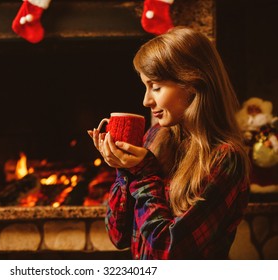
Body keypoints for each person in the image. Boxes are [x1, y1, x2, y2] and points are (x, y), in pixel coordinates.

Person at [88, 27, 250, 259]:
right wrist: (125, 170)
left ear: (192, 83)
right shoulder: (156, 136)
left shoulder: (225, 159)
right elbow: (118, 236)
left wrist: (143, 175)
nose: (146, 100)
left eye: (156, 87)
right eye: (145, 87)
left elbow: (167, 251)